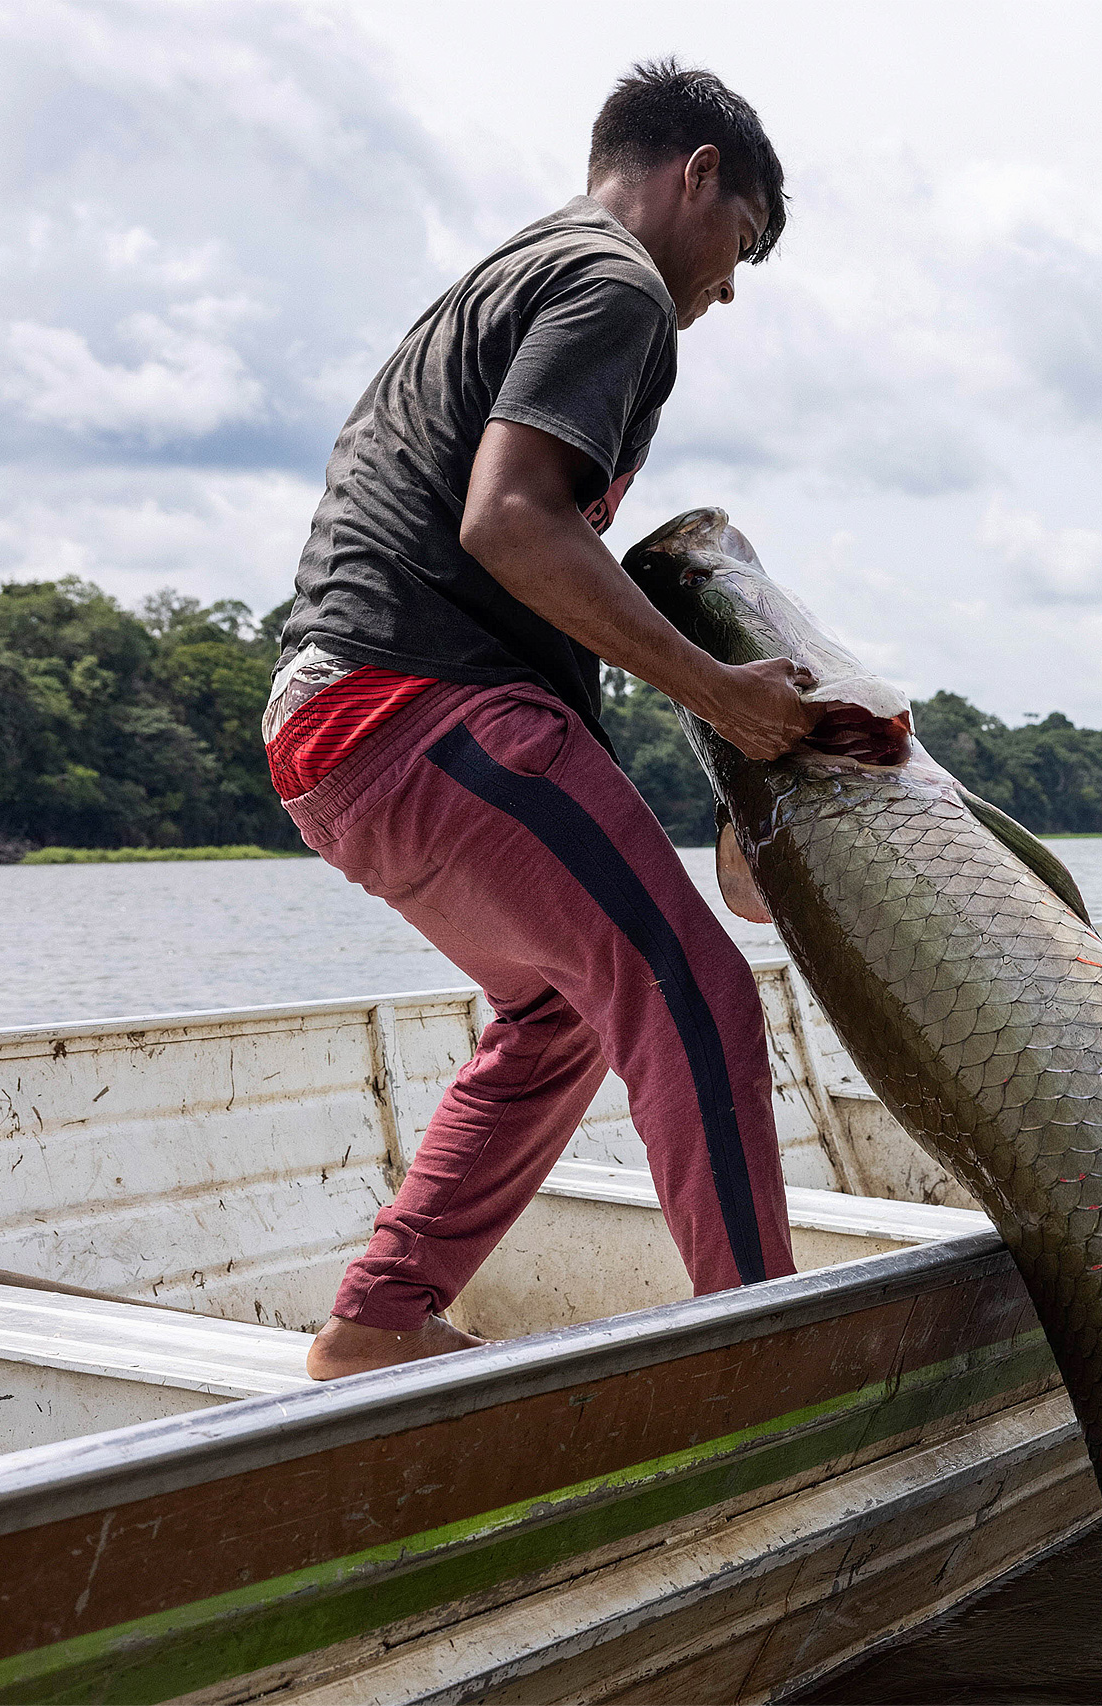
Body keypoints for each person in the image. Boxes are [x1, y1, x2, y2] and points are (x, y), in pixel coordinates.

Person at [266, 61, 814, 1381]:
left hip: (329, 730)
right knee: (693, 993)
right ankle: (776, 1362)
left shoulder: (510, 271)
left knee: (564, 1010)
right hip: (423, 704)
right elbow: (510, 519)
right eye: (738, 245)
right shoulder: (619, 284)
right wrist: (722, 693)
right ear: (695, 176)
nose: (727, 287)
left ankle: (381, 1315)